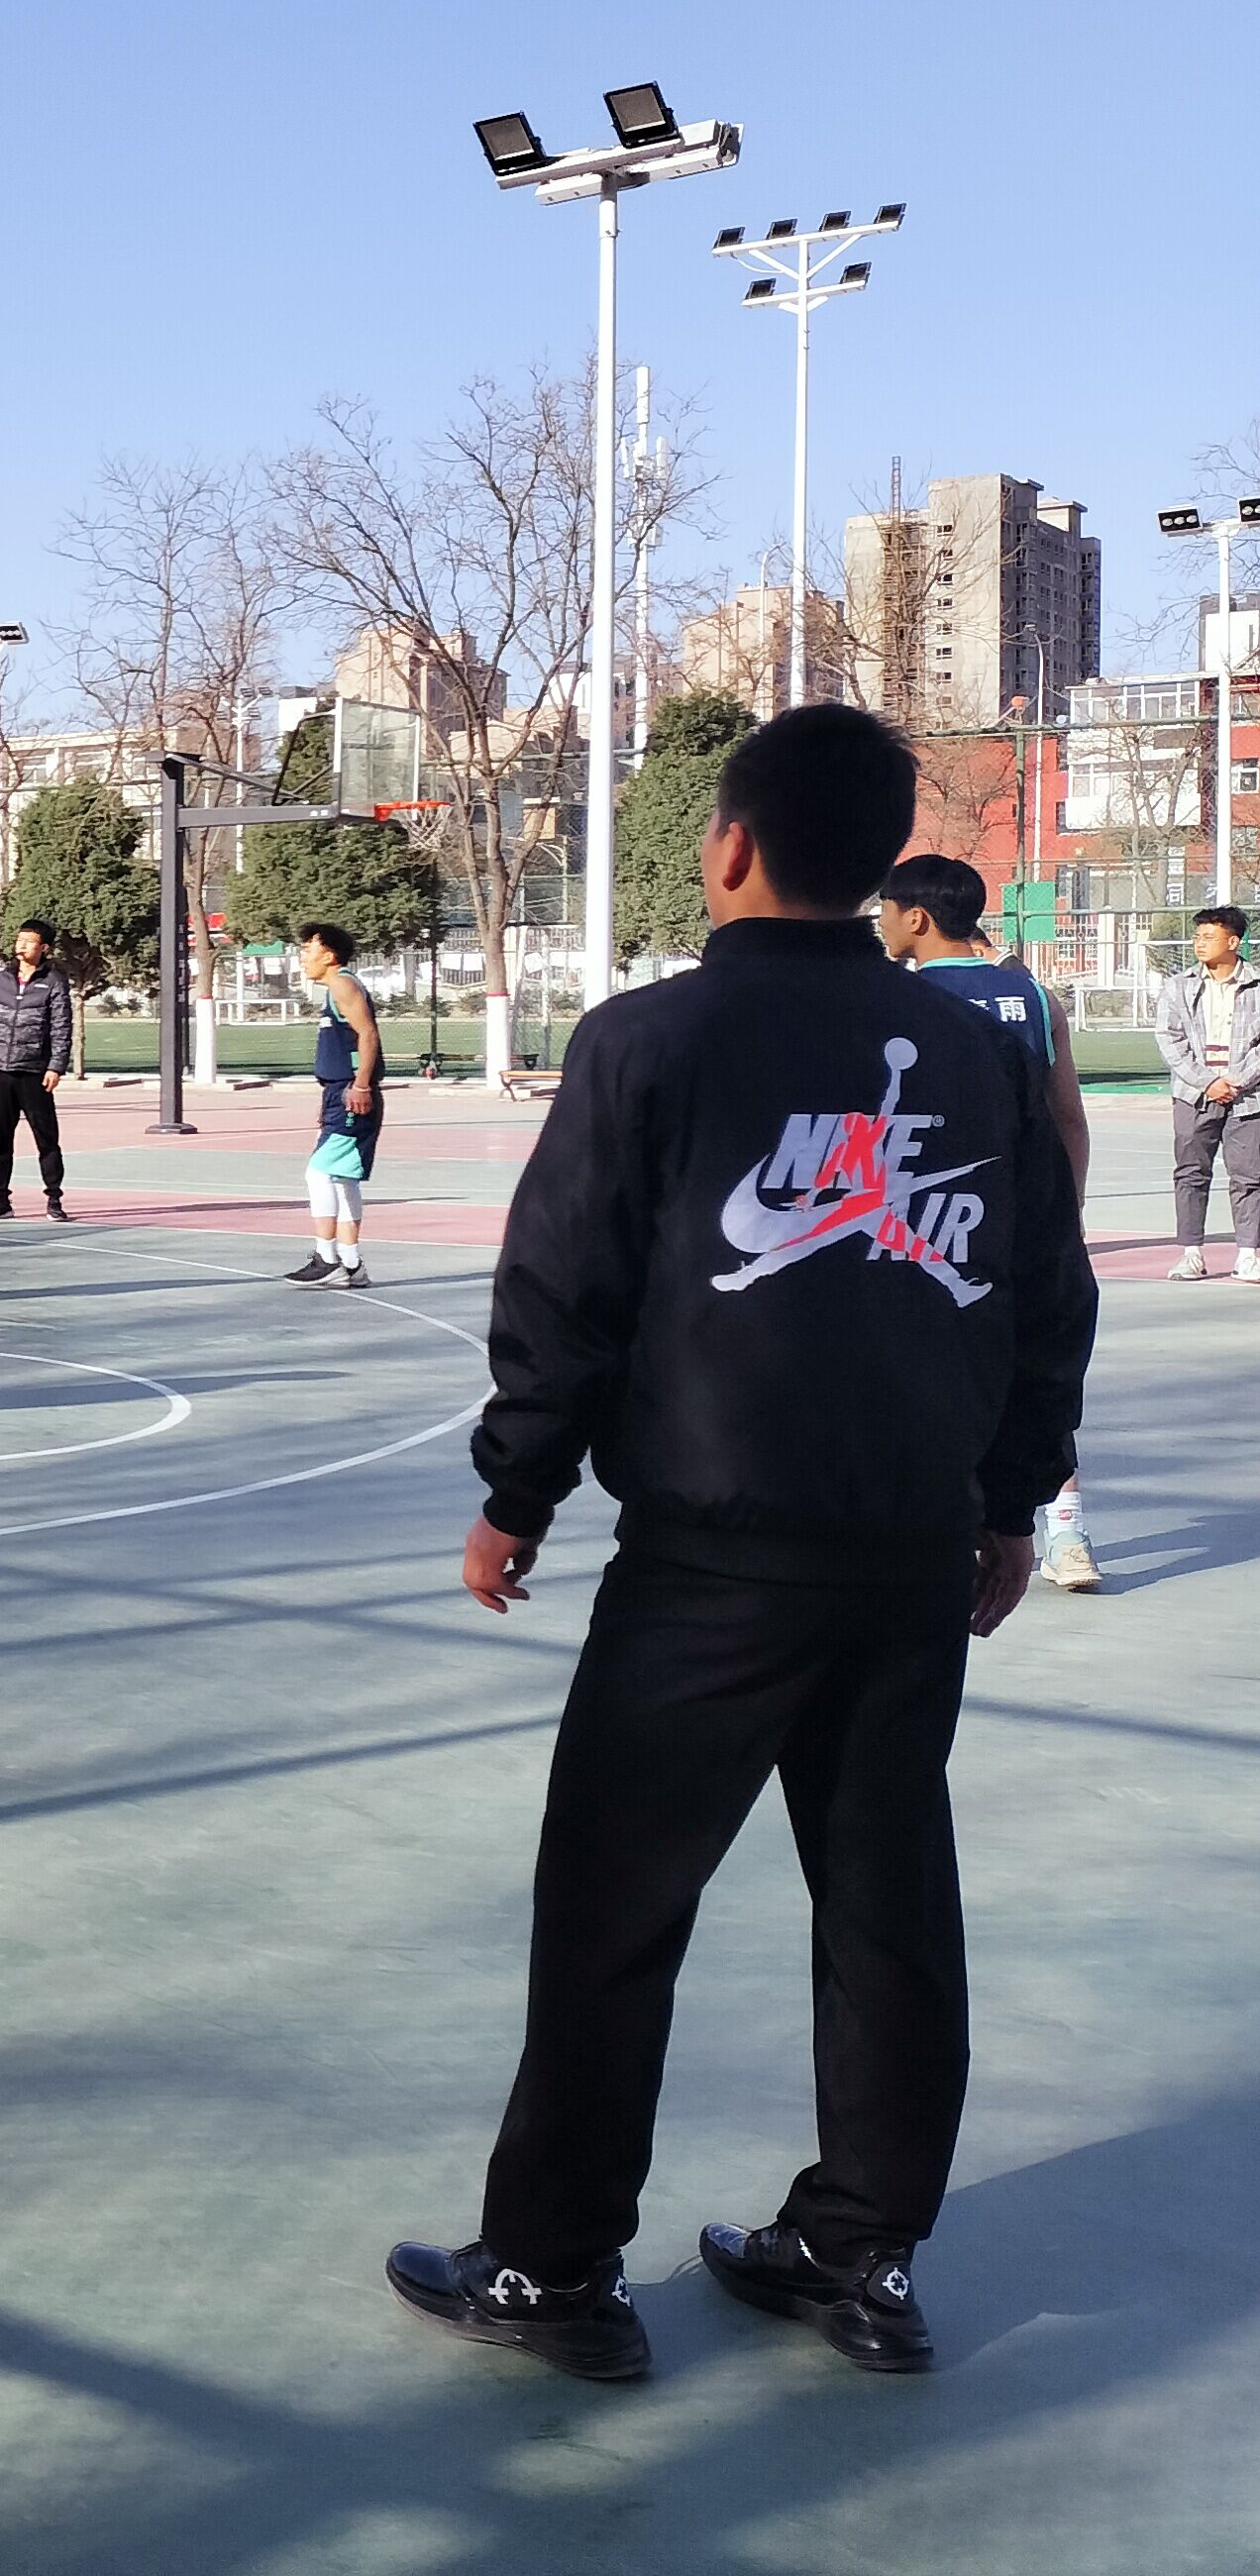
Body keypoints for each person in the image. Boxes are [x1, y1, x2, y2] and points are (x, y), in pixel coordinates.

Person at [389, 706, 1097, 2386]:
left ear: (727, 847)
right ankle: (863, 2250)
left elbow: (563, 1289)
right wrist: (1013, 1500)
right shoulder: (976, 1053)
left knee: (613, 1911)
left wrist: (516, 1492)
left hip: (711, 1564)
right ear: (879, 865)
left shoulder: (648, 1039)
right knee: (888, 1907)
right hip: (910, 1555)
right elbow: (1044, 1297)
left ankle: (553, 2266)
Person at [881, 854, 1101, 1590]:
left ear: (915, 918)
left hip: (930, 1224)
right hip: (1019, 1223)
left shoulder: (896, 1003)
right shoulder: (1033, 995)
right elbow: (1068, 1118)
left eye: (887, 910)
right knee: (1038, 1373)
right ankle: (1065, 1532)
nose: (881, 922)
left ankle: (930, 1538)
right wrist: (1064, 1220)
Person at [1152, 903, 1257, 1284]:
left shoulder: (1256, 984)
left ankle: (1248, 1255)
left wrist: (1238, 1080)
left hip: (1249, 1097)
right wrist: (1207, 1082)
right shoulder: (1178, 985)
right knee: (1191, 1173)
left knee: (1249, 1176)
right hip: (1193, 1095)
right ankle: (1191, 1254)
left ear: (1233, 941)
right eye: (1197, 936)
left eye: (1209, 937)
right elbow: (1169, 1038)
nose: (1200, 943)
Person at [288, 921, 386, 1290]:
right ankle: (351, 1264)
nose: (303, 957)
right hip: (338, 1092)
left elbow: (368, 1035)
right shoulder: (337, 988)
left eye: (308, 950)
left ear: (328, 955)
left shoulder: (344, 984)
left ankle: (326, 1258)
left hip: (350, 1092)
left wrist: (360, 1085)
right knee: (342, 1180)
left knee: (318, 1174)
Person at [0, 920, 74, 1220]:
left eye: (29, 941)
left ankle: (54, 1199)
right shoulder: (2, 979)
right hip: (2, 1071)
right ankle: (1, 1199)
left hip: (35, 1073)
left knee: (46, 1139)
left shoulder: (54, 981)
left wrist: (56, 1066)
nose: (21, 946)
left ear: (43, 948)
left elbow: (61, 1028)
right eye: (19, 940)